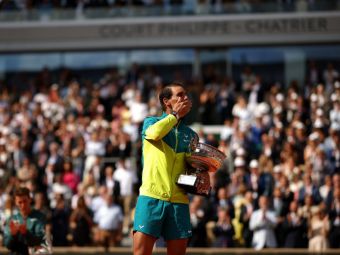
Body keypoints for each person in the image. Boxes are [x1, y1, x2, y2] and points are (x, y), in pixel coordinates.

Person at [133, 82, 198, 255]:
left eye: (186, 95)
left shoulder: (191, 135)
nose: (185, 98)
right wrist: (175, 115)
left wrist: (200, 178)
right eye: (180, 95)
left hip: (179, 203)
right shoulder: (151, 122)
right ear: (166, 101)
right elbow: (154, 134)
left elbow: (190, 169)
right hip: (151, 199)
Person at [3, 187, 51, 255]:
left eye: (25, 201)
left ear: (30, 200)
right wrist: (13, 235)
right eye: (20, 202)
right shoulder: (11, 219)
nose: (23, 205)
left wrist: (26, 233)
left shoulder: (39, 217)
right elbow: (7, 245)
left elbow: (39, 240)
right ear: (16, 203)